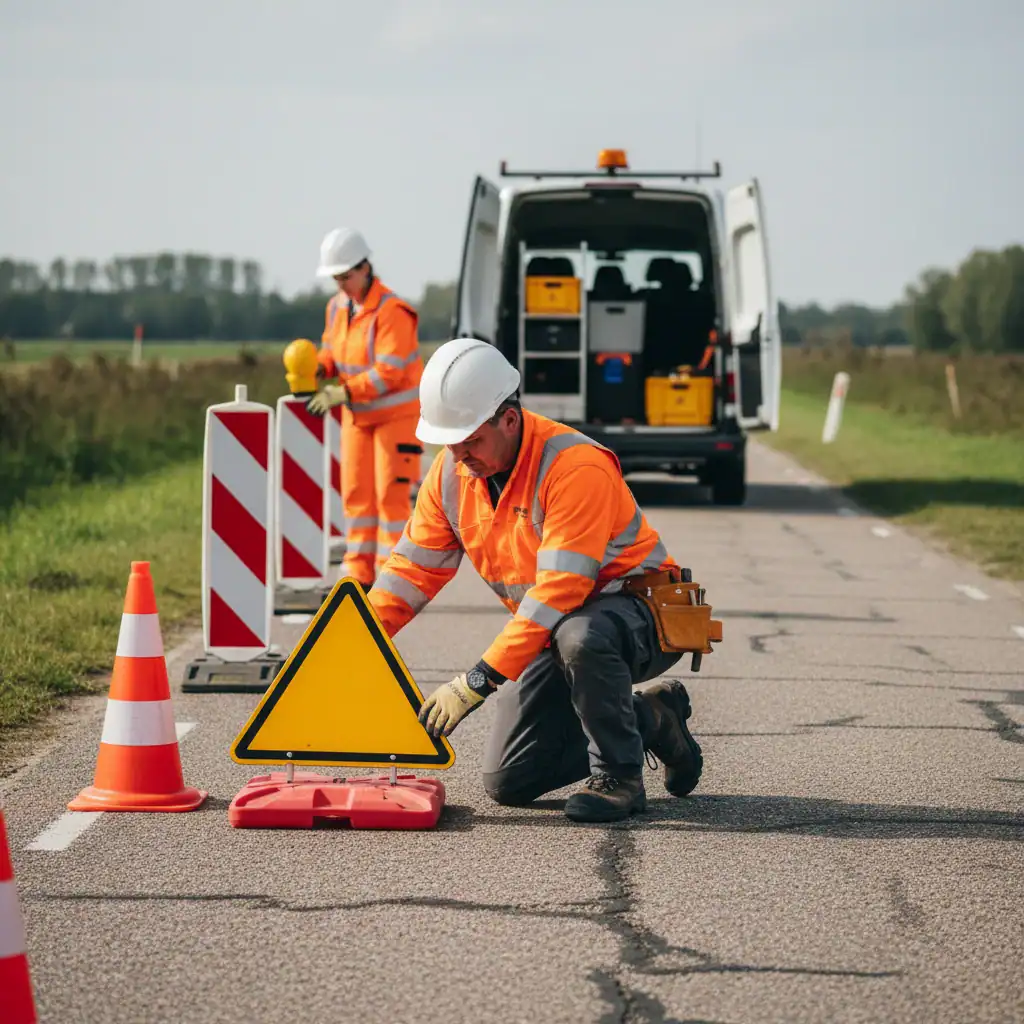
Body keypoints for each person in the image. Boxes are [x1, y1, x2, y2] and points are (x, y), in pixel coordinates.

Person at [367, 337, 711, 823]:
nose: (459, 454)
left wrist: (476, 682)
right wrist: (355, 639)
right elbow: (412, 571)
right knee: (510, 779)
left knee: (582, 635)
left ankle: (619, 778)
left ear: (509, 419)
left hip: (640, 616)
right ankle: (654, 719)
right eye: (450, 442)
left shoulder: (574, 466)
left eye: (471, 440)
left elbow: (561, 590)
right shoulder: (451, 474)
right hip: (553, 631)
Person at [306, 227, 424, 587]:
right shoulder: (338, 308)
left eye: (345, 276)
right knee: (357, 495)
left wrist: (343, 392)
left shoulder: (393, 312)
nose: (341, 284)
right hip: (359, 417)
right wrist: (321, 366)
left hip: (396, 418)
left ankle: (393, 576)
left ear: (365, 268)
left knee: (391, 499)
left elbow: (389, 372)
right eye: (336, 278)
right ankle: (358, 574)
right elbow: (331, 347)